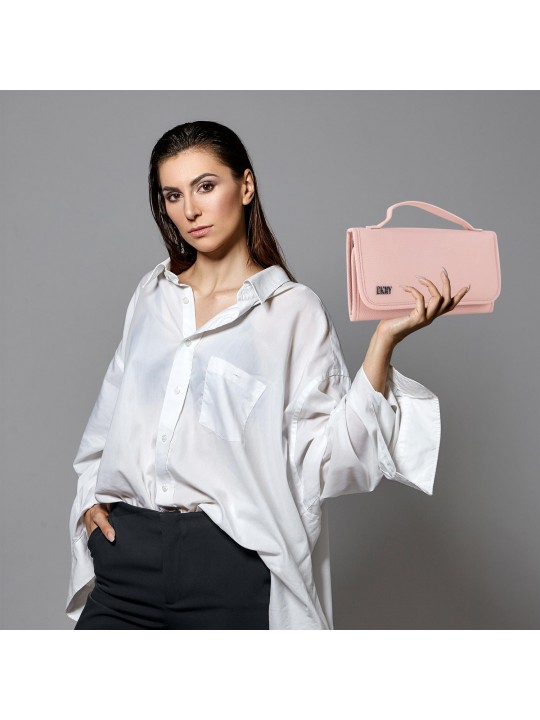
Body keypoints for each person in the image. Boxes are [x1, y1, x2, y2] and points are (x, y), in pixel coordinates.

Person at [66, 120, 470, 630]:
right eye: (173, 195)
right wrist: (90, 502)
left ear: (246, 185)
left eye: (205, 186)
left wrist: (382, 344)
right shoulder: (152, 295)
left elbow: (327, 462)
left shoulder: (293, 312)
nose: (189, 210)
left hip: (230, 567)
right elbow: (106, 427)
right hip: (127, 561)